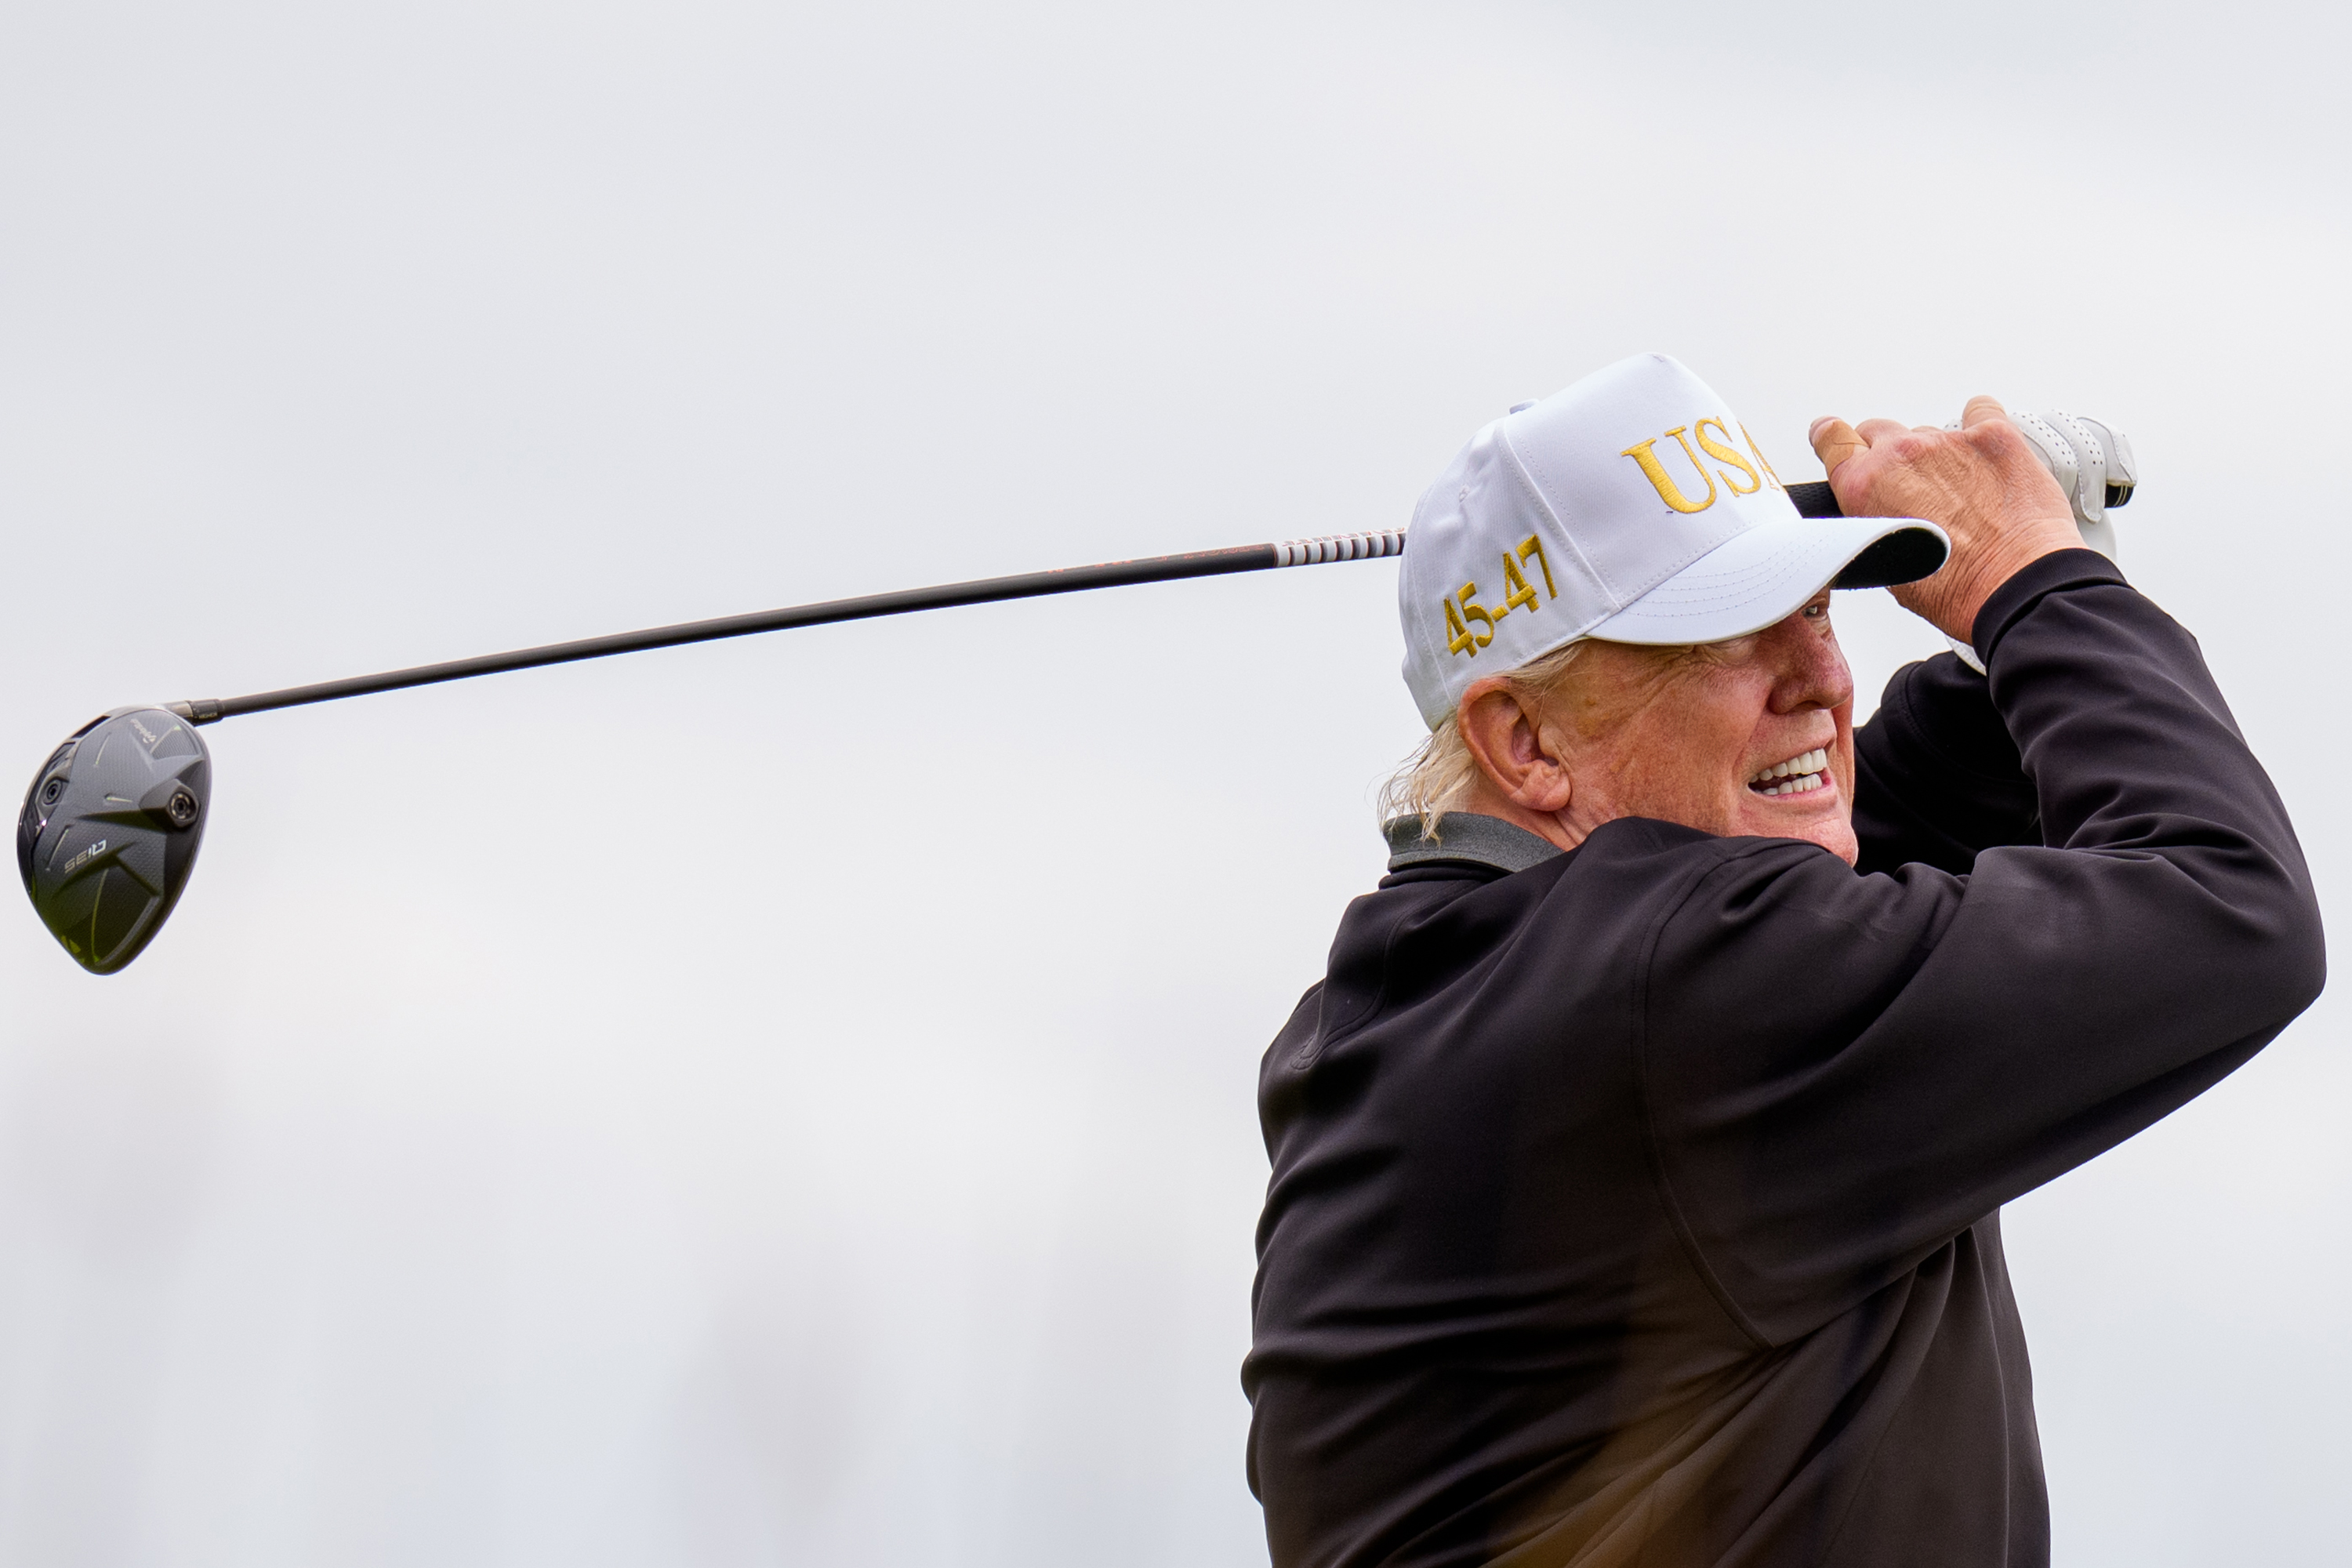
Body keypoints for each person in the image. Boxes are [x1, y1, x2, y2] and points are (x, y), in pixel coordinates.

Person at [1243, 354, 2325, 1568]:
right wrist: (2034, 584)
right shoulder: (1684, 986)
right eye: (1720, 637)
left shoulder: (1429, 991)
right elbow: (2230, 911)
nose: (1821, 676)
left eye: (1813, 609)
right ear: (1525, 739)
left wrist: (2012, 622)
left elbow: (1904, 811)